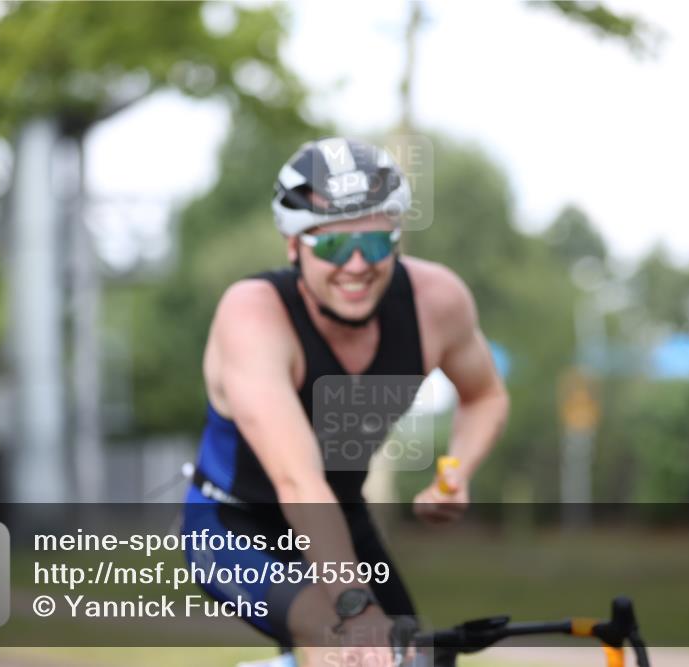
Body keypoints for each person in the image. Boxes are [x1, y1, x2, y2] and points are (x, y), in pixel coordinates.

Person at [183, 137, 509, 667]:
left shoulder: (436, 302)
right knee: (343, 641)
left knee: (418, 660)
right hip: (236, 527)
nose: (357, 265)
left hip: (342, 517)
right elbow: (299, 481)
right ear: (293, 246)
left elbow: (486, 394)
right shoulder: (254, 315)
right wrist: (355, 609)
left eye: (376, 244)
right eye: (333, 246)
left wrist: (456, 469)